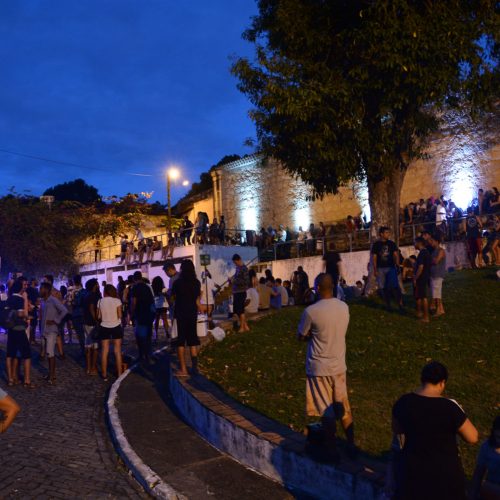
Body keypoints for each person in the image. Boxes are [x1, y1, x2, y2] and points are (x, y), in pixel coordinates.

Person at [391, 361, 478, 500]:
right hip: (445, 477)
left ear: (422, 379)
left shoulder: (403, 402)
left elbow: (397, 429)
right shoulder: (450, 408)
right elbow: (472, 437)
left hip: (412, 473)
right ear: (442, 383)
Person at [297, 273, 354, 461]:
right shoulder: (344, 307)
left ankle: (332, 451)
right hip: (339, 365)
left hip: (319, 367)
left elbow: (301, 335)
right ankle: (351, 445)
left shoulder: (311, 311)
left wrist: (310, 335)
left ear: (318, 288)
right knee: (343, 407)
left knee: (326, 412)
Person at [171, 260, 201, 376]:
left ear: (182, 269)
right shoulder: (197, 283)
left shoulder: (177, 283)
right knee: (192, 341)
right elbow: (197, 298)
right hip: (192, 313)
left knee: (181, 342)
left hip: (180, 313)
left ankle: (183, 369)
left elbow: (172, 298)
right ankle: (194, 368)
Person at [5, 279, 34, 388]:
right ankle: (27, 381)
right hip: (19, 329)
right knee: (27, 355)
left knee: (10, 355)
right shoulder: (20, 299)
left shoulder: (9, 298)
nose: (25, 287)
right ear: (20, 287)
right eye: (23, 285)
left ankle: (10, 379)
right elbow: (21, 313)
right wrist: (27, 316)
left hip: (11, 329)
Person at [39, 281, 68, 385]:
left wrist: (55, 320)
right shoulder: (43, 301)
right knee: (48, 353)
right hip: (44, 331)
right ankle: (51, 374)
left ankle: (52, 377)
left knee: (50, 353)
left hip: (52, 331)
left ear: (46, 290)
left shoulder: (53, 300)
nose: (40, 290)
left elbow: (64, 310)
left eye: (41, 288)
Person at [371, 226, 402, 311]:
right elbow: (374, 257)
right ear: (381, 234)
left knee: (394, 286)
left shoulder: (391, 243)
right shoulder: (376, 245)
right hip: (380, 268)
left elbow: (395, 255)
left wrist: (397, 265)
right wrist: (375, 269)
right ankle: (388, 305)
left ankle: (399, 303)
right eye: (386, 233)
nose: (388, 234)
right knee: (383, 288)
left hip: (391, 267)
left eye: (388, 232)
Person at [97, 284, 123, 381]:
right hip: (116, 326)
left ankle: (104, 375)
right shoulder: (117, 301)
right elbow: (120, 315)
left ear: (105, 292)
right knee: (117, 351)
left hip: (104, 326)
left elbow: (98, 316)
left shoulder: (100, 301)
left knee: (104, 351)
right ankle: (119, 374)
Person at [470, 416, 500, 500]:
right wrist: (473, 494)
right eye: (498, 437)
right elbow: (479, 473)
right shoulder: (487, 447)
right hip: (491, 487)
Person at [130, 271, 155, 363]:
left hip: (140, 314)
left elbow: (133, 302)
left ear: (134, 279)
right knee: (148, 336)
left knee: (140, 336)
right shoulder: (147, 287)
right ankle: (149, 355)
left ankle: (142, 355)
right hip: (149, 314)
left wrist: (131, 313)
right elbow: (152, 301)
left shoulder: (135, 288)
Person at [82, 278, 100, 375]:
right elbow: (92, 308)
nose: (98, 285)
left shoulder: (86, 295)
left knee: (88, 345)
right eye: (97, 284)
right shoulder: (94, 296)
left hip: (85, 322)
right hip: (92, 323)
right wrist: (96, 320)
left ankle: (88, 368)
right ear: (94, 286)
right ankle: (93, 368)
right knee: (95, 346)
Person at [413, 237, 432, 322]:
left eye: (415, 243)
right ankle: (420, 313)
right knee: (420, 296)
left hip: (422, 278)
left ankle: (426, 317)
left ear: (419, 243)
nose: (414, 245)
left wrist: (415, 278)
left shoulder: (422, 253)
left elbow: (421, 267)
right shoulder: (427, 252)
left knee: (423, 297)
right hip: (426, 276)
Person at [231, 254, 250, 332]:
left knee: (240, 310)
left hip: (241, 292)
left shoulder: (244, 269)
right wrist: (232, 279)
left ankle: (242, 327)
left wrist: (234, 281)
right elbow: (237, 278)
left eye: (235, 262)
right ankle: (245, 326)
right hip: (236, 292)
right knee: (237, 310)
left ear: (239, 260)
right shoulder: (238, 268)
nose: (235, 264)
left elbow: (246, 281)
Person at [429, 234, 446, 316]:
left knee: (437, 294)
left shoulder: (441, 250)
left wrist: (429, 260)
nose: (430, 242)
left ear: (436, 241)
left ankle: (439, 310)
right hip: (433, 274)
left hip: (438, 274)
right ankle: (441, 309)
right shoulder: (434, 251)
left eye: (432, 241)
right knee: (435, 293)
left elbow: (436, 261)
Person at [152, 276, 169, 341]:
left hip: (156, 305)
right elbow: (167, 296)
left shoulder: (153, 289)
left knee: (156, 320)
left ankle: (156, 333)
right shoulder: (164, 289)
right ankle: (167, 332)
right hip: (163, 305)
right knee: (165, 319)